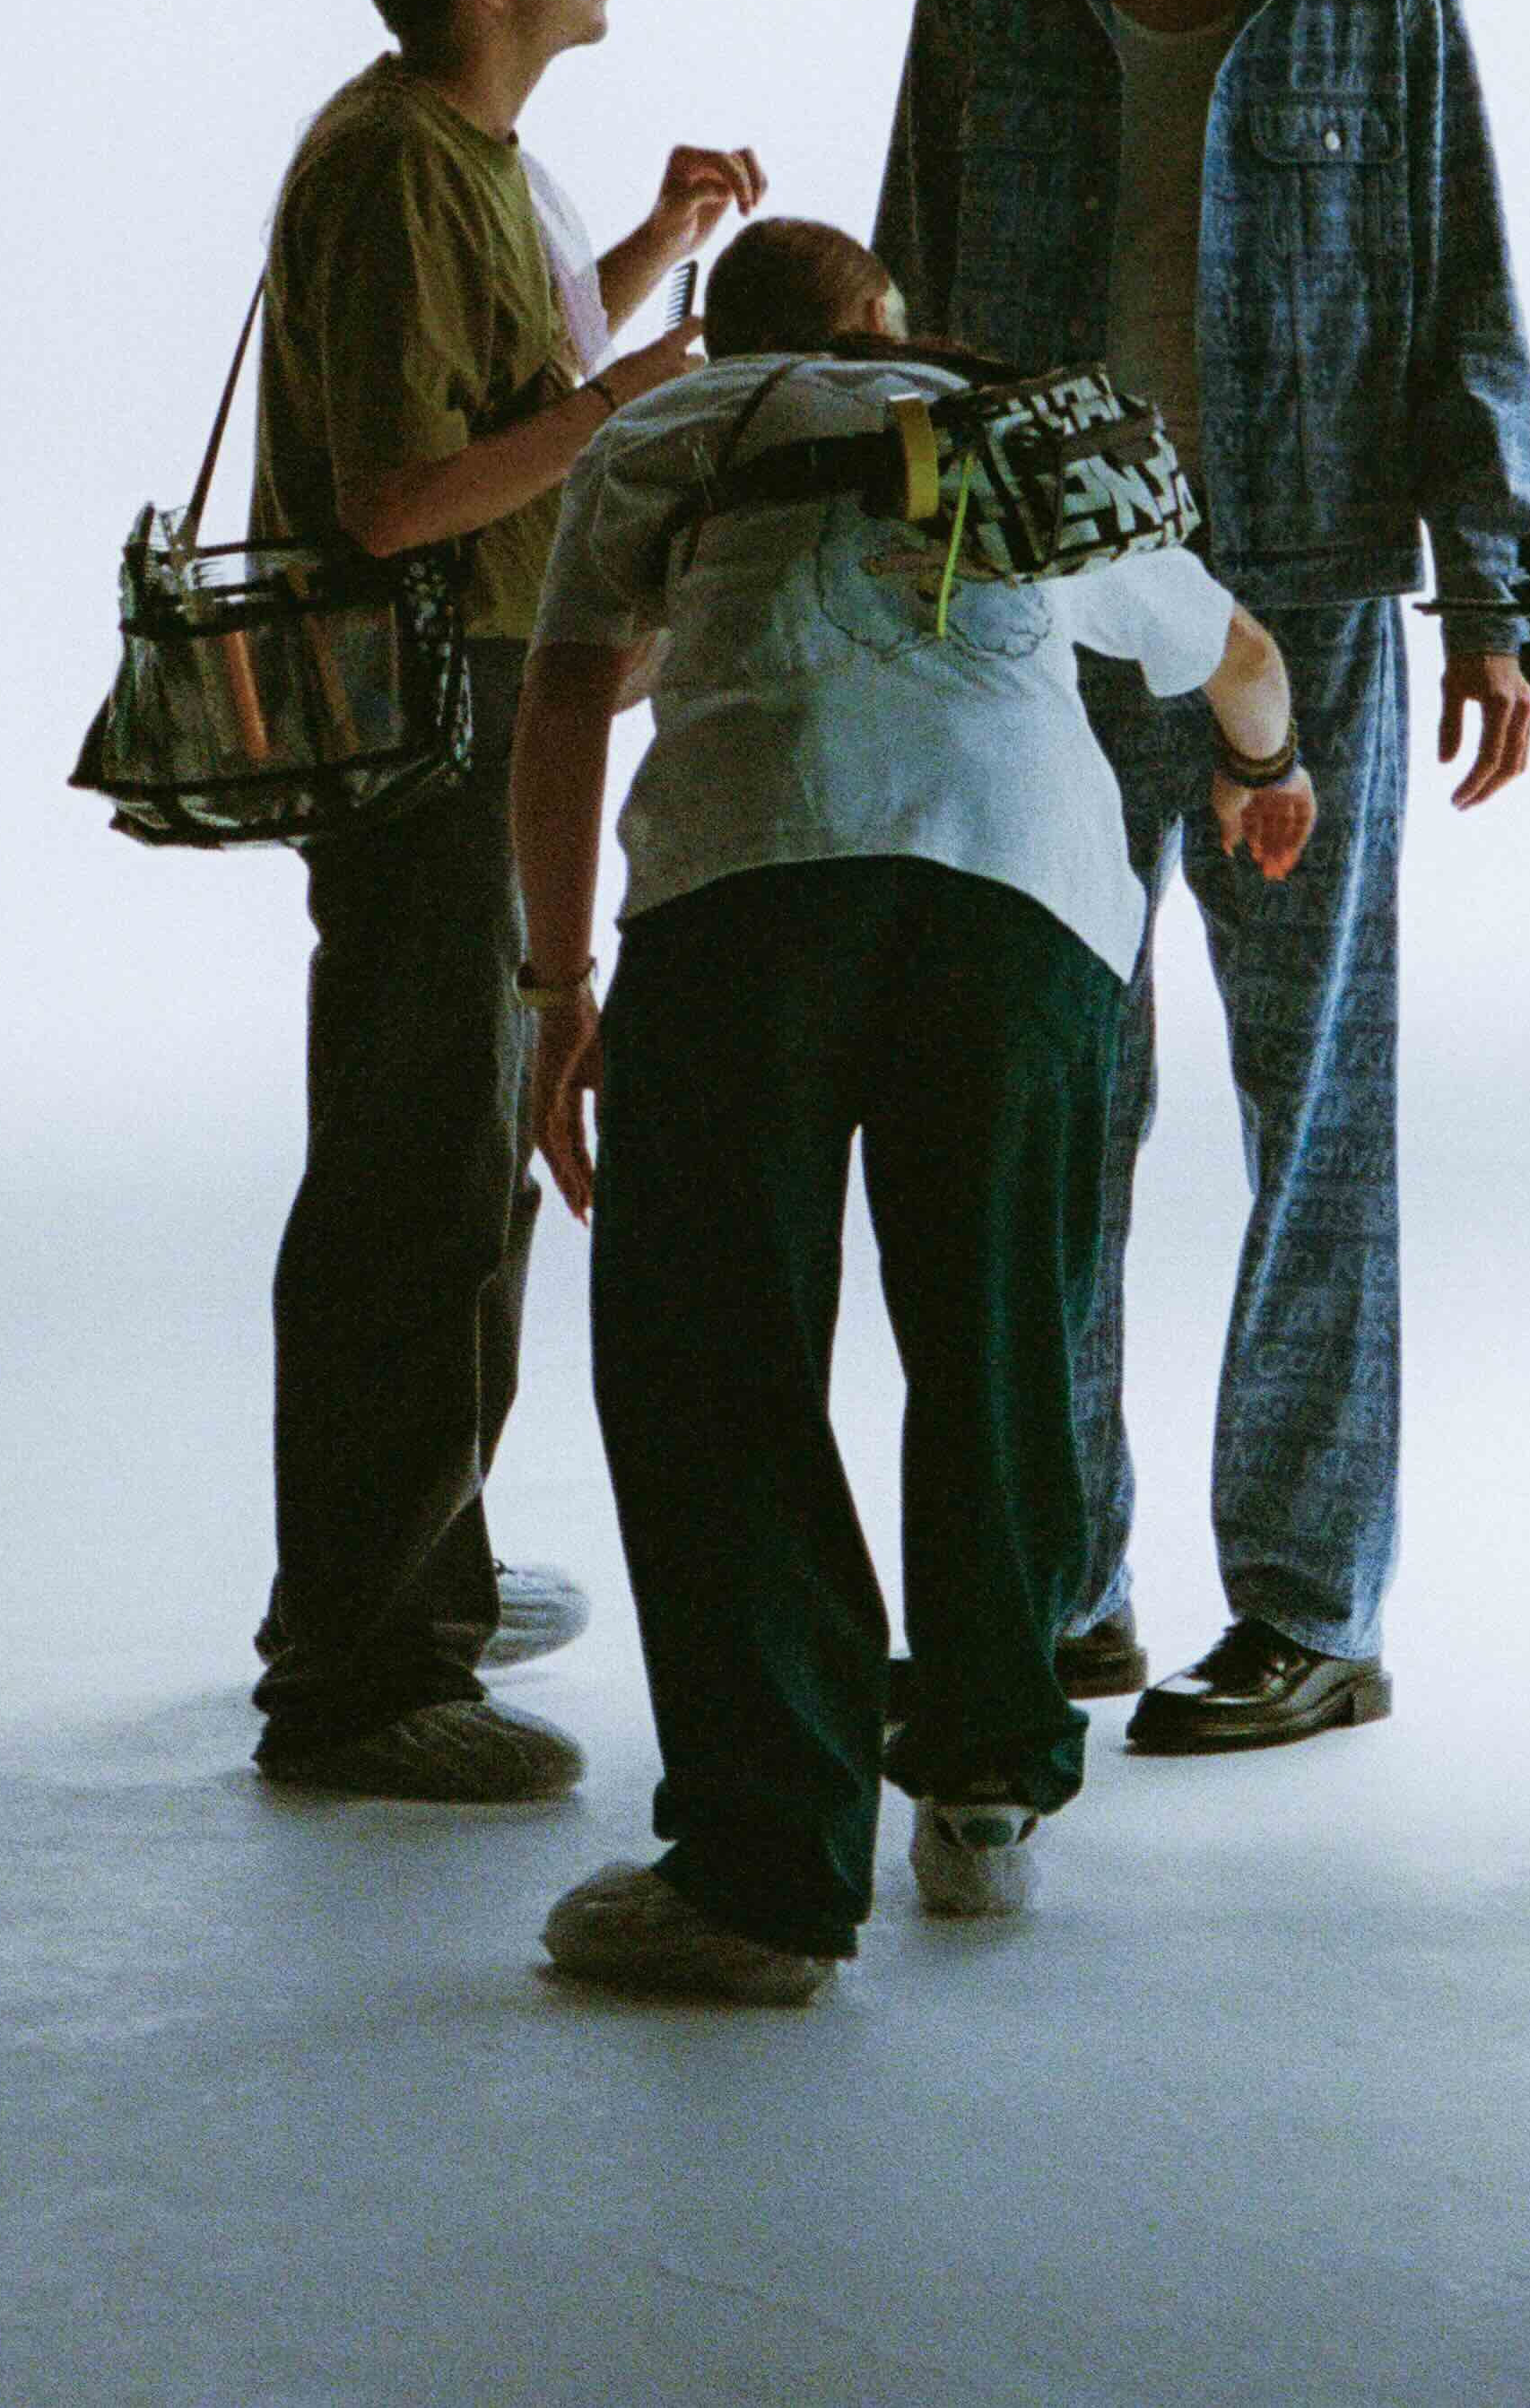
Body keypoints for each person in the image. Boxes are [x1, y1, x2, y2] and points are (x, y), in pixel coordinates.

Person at [870, 0, 1530, 1757]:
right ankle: (1066, 1580)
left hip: (1316, 614)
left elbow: (1470, 315)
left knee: (1314, 1109)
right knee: (1058, 1098)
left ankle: (1311, 1606)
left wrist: (1495, 604)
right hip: (1049, 629)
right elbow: (906, 318)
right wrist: (904, 604)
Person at [510, 218, 1322, 2003]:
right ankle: (982, 1788)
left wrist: (556, 991)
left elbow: (566, 689)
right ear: (898, 321)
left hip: (747, 888)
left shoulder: (668, 430)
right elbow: (1244, 657)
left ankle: (763, 1869)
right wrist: (1267, 777)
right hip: (1016, 908)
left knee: (713, 1356)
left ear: (721, 329)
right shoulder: (1021, 423)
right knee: (1001, 1335)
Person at [241, 0, 761, 1802]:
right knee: (416, 1179)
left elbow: (493, 386)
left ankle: (413, 1566)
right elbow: (400, 494)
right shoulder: (392, 165)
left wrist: (644, 256)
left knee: (453, 1164)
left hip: (474, 704)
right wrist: (646, 393)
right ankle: (364, 1669)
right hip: (430, 716)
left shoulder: (459, 153)